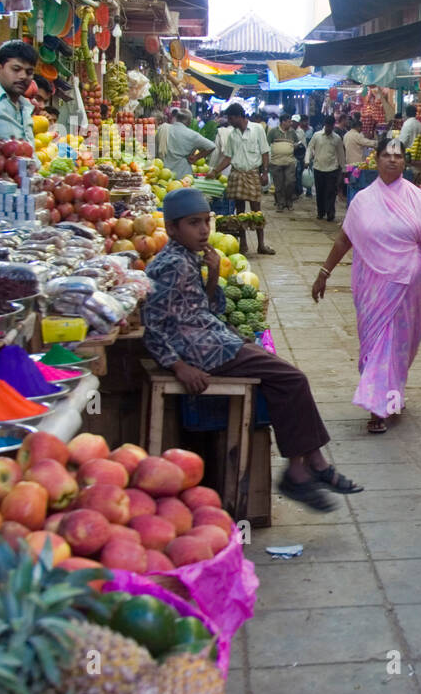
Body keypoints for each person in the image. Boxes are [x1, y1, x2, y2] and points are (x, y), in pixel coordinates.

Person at [144, 188, 362, 512]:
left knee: (282, 373)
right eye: (194, 223)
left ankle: (309, 466)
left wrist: (214, 272)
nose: (204, 230)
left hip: (215, 340)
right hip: (203, 353)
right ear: (173, 228)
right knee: (292, 379)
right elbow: (153, 325)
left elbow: (208, 307)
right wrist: (178, 366)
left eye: (206, 221)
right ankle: (305, 469)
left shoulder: (190, 257)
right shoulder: (168, 265)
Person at [312, 139, 421, 434]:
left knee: (399, 347)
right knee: (377, 345)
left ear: (405, 163)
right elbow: (344, 240)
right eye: (387, 155)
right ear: (377, 160)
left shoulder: (417, 198)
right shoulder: (362, 200)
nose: (393, 160)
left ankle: (391, 397)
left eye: (398, 156)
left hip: (408, 286)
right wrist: (324, 272)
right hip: (372, 286)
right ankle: (377, 408)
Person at [211, 103, 275, 256]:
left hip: (253, 173)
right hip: (237, 173)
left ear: (239, 116)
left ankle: (261, 245)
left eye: (231, 118)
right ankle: (243, 244)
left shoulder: (257, 129)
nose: (230, 121)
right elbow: (228, 157)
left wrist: (265, 172)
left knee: (256, 211)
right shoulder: (232, 135)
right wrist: (215, 171)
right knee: (239, 212)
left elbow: (265, 152)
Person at [160, 108, 216, 180]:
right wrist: (196, 157)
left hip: (163, 173)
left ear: (176, 118)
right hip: (183, 176)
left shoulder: (163, 129)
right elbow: (212, 146)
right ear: (189, 122)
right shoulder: (192, 135)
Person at [308, 115, 346, 221]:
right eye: (327, 126)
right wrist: (307, 160)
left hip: (332, 169)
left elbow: (341, 154)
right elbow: (310, 148)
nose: (329, 128)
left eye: (331, 126)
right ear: (325, 125)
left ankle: (330, 213)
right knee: (320, 191)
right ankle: (320, 212)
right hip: (318, 167)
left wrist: (343, 169)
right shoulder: (317, 136)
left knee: (330, 192)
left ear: (333, 126)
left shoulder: (337, 139)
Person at [267, 114, 299, 211]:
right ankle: (280, 203)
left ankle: (289, 201)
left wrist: (296, 146)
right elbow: (267, 144)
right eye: (289, 121)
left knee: (290, 182)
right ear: (283, 122)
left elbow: (296, 143)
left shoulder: (292, 133)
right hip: (276, 162)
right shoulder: (273, 132)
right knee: (279, 184)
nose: (290, 123)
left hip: (290, 162)